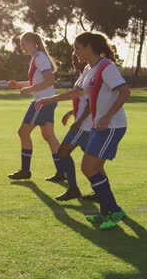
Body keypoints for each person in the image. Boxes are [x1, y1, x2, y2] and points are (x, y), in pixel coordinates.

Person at [35, 32, 131, 230]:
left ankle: (114, 210)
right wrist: (49, 99)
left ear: (88, 47)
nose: (75, 51)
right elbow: (77, 92)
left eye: (77, 47)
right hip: (100, 126)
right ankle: (106, 213)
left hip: (112, 126)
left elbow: (125, 91)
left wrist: (107, 116)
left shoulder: (106, 66)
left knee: (88, 168)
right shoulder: (89, 69)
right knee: (94, 168)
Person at [7, 32, 64, 181]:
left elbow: (50, 80)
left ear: (33, 42)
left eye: (24, 43)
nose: (22, 47)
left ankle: (25, 171)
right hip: (45, 101)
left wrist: (29, 90)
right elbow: (37, 81)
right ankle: (61, 172)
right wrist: (18, 84)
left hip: (42, 102)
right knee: (49, 136)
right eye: (21, 44)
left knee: (23, 132)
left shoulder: (40, 58)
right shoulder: (36, 58)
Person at [50, 54, 92, 201]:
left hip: (84, 125)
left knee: (62, 151)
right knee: (92, 162)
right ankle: (99, 191)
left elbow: (91, 102)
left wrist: (79, 121)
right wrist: (72, 113)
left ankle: (74, 189)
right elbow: (83, 100)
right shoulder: (83, 74)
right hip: (84, 123)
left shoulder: (89, 72)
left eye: (77, 58)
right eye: (72, 58)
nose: (74, 62)